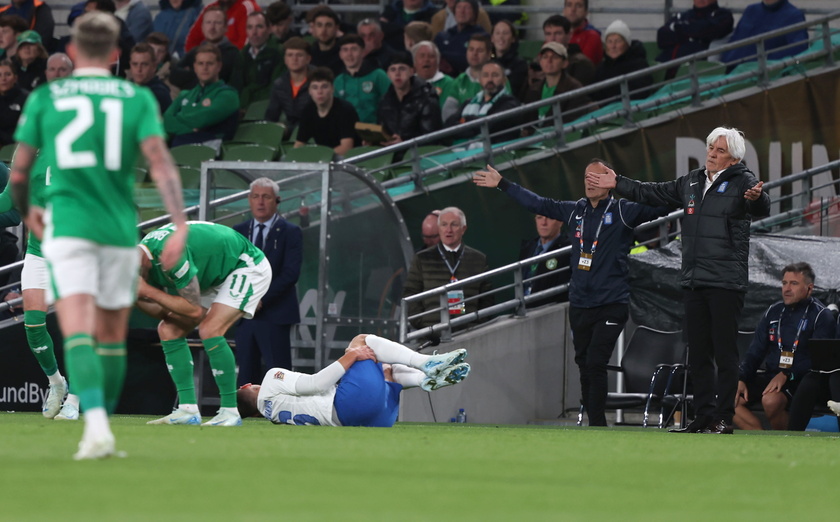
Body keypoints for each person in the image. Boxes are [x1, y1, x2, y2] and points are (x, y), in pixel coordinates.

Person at [11, 11, 188, 459]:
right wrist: (179, 223)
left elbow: (18, 173)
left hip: (68, 228)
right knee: (109, 334)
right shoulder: (136, 98)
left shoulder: (47, 98)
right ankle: (96, 420)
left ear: (71, 53)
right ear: (115, 56)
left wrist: (25, 211)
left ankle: (92, 428)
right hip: (114, 228)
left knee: (77, 332)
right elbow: (161, 163)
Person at [586, 126, 771, 434]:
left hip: (726, 281)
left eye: (719, 150)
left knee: (725, 353)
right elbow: (652, 191)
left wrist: (757, 198)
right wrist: (618, 182)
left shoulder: (745, 182)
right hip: (694, 280)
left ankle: (724, 417)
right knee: (697, 352)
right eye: (711, 147)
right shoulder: (692, 182)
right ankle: (702, 416)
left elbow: (760, 205)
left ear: (734, 158)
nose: (712, 154)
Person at [473, 160, 664, 426]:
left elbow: (662, 203)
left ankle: (597, 424)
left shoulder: (623, 211)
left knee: (596, 362)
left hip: (612, 303)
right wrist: (503, 184)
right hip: (580, 304)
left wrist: (691, 192)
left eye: (596, 178)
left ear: (609, 181)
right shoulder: (575, 211)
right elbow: (538, 204)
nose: (589, 182)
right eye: (586, 176)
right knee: (584, 364)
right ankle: (592, 422)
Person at [137, 221, 270, 427]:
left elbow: (192, 309)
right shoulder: (140, 265)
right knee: (169, 329)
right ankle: (187, 410)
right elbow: (164, 312)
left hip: (245, 265)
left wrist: (145, 291)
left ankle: (229, 411)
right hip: (214, 276)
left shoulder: (171, 255)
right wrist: (135, 297)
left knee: (210, 329)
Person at [236, 334, 470, 426]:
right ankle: (424, 362)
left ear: (255, 415)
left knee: (384, 367)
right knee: (362, 342)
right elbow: (316, 384)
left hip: (375, 420)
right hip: (349, 405)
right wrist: (351, 356)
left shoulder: (272, 416)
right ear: (247, 385)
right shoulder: (269, 379)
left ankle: (425, 381)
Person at [735, 262, 835, 431]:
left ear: (809, 288)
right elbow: (755, 351)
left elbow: (820, 361)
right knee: (729, 397)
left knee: (771, 400)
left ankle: (785, 440)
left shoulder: (821, 315)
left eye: (794, 283)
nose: (787, 289)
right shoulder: (773, 312)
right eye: (784, 283)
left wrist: (788, 374)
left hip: (802, 381)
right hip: (772, 376)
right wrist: (741, 378)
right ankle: (761, 440)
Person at [232, 177, 302, 387]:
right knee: (245, 371)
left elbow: (290, 273)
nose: (260, 202)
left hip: (274, 313)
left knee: (277, 370)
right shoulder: (238, 231)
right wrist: (246, 299)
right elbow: (233, 270)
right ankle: (245, 413)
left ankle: (279, 412)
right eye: (255, 197)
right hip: (244, 314)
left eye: (266, 197)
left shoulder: (291, 232)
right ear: (249, 200)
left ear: (277, 201)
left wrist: (261, 299)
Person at [402, 206, 492, 331]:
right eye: (444, 225)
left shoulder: (478, 259)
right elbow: (410, 294)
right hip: (432, 335)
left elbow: (487, 298)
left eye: (454, 225)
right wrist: (424, 325)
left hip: (470, 332)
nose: (448, 230)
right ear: (439, 229)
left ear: (463, 229)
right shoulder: (421, 259)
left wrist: (477, 323)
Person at [164, 41, 239, 146]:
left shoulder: (228, 95)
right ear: (195, 67)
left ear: (219, 66)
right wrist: (190, 128)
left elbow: (202, 119)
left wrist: (178, 119)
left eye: (210, 63)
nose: (205, 68)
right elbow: (167, 121)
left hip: (210, 153)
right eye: (201, 63)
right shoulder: (185, 95)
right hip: (179, 150)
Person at [169, 6, 244, 91]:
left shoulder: (233, 54)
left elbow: (217, 79)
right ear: (202, 27)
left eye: (217, 23)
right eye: (208, 22)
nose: (212, 27)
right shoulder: (195, 51)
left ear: (225, 27)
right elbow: (174, 76)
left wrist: (189, 74)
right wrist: (198, 75)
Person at [446, 60, 521, 145]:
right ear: (480, 79)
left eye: (495, 75)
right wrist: (475, 126)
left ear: (504, 80)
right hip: (462, 153)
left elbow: (490, 125)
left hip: (496, 154)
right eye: (485, 75)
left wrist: (464, 120)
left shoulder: (510, 103)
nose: (490, 79)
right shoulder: (469, 102)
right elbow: (449, 125)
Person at [377, 52, 442, 147]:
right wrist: (374, 142)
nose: (397, 74)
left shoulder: (427, 97)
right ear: (388, 74)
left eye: (402, 69)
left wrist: (404, 142)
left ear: (412, 71)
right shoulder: (385, 100)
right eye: (393, 70)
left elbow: (432, 138)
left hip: (420, 155)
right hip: (393, 154)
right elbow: (383, 132)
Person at [293, 66, 358, 157]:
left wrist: (319, 158)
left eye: (324, 87)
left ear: (332, 89)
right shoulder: (308, 110)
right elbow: (299, 144)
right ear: (310, 91)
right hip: (323, 159)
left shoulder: (345, 110)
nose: (320, 92)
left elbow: (346, 148)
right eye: (315, 88)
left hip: (347, 160)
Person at [720, 0, 808, 66]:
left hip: (761, 74)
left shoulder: (793, 16)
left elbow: (799, 47)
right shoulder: (751, 10)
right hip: (730, 68)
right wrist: (726, 57)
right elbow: (735, 38)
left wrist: (765, 59)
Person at [520, 42, 589, 125]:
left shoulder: (574, 89)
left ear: (565, 63)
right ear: (540, 62)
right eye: (545, 57)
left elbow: (571, 121)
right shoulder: (534, 88)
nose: (549, 61)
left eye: (555, 57)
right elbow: (527, 120)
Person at [591, 20, 653, 103]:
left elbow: (640, 93)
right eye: (610, 41)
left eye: (618, 41)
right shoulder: (601, 68)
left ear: (627, 43)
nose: (613, 46)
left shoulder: (639, 65)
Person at [334, 33, 390, 125]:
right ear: (340, 54)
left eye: (354, 49)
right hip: (347, 133)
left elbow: (391, 104)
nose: (349, 54)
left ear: (363, 52)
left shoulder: (378, 75)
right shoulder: (338, 81)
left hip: (374, 131)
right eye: (345, 50)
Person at [656, 1, 733, 66]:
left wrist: (677, 29)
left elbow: (709, 30)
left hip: (699, 69)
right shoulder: (682, 16)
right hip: (667, 66)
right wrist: (692, 34)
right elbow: (661, 38)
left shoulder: (723, 15)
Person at [264, 36, 312, 139]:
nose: (294, 59)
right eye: (290, 55)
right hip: (290, 133)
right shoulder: (280, 84)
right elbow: (271, 116)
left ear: (308, 59)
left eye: (299, 55)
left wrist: (288, 129)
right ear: (285, 59)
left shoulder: (318, 81)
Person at [519, 214, 571, 306]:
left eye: (550, 218)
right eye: (539, 218)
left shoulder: (569, 250)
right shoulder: (528, 247)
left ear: (560, 222)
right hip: (524, 310)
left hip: (550, 311)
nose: (543, 223)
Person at [439, 33, 490, 122]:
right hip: (461, 132)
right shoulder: (459, 80)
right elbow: (448, 112)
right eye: (471, 49)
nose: (474, 54)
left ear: (488, 55)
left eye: (480, 50)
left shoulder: (498, 79)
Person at [238, 10, 283, 110]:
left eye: (259, 27)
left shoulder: (279, 53)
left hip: (266, 109)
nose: (254, 33)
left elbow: (276, 89)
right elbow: (235, 86)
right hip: (242, 108)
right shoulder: (242, 55)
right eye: (250, 27)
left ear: (269, 29)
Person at [433, 0, 487, 76]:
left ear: (475, 13)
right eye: (459, 7)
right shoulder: (442, 36)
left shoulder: (482, 37)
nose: (462, 11)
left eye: (467, 8)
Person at [184, 0, 260, 52]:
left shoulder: (247, 7)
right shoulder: (210, 9)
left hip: (234, 64)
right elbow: (192, 40)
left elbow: (246, 46)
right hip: (208, 62)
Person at [540, 14, 594, 87]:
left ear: (569, 35)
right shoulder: (539, 59)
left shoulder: (581, 63)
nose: (552, 39)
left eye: (558, 33)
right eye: (548, 34)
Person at [490, 19, 527, 99]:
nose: (501, 37)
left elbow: (513, 91)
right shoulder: (486, 63)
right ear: (492, 38)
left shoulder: (520, 64)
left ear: (513, 38)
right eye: (497, 33)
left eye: (505, 33)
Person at [129, 42, 170, 112]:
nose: (139, 69)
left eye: (144, 64)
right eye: (135, 64)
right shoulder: (126, 86)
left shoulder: (159, 93)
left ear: (154, 67)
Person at [563, 0, 602, 65]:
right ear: (564, 10)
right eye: (569, 5)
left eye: (578, 6)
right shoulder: (556, 33)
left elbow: (582, 67)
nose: (573, 9)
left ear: (586, 12)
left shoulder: (592, 36)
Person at [306, 5, 341, 75]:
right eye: (319, 25)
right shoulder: (308, 53)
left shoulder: (345, 53)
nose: (323, 30)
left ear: (336, 28)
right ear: (314, 28)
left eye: (328, 25)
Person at [0, 58, 27, 148]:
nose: (3, 78)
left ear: (15, 78)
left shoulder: (26, 98)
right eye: (0, 75)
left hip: (17, 148)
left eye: (8, 74)